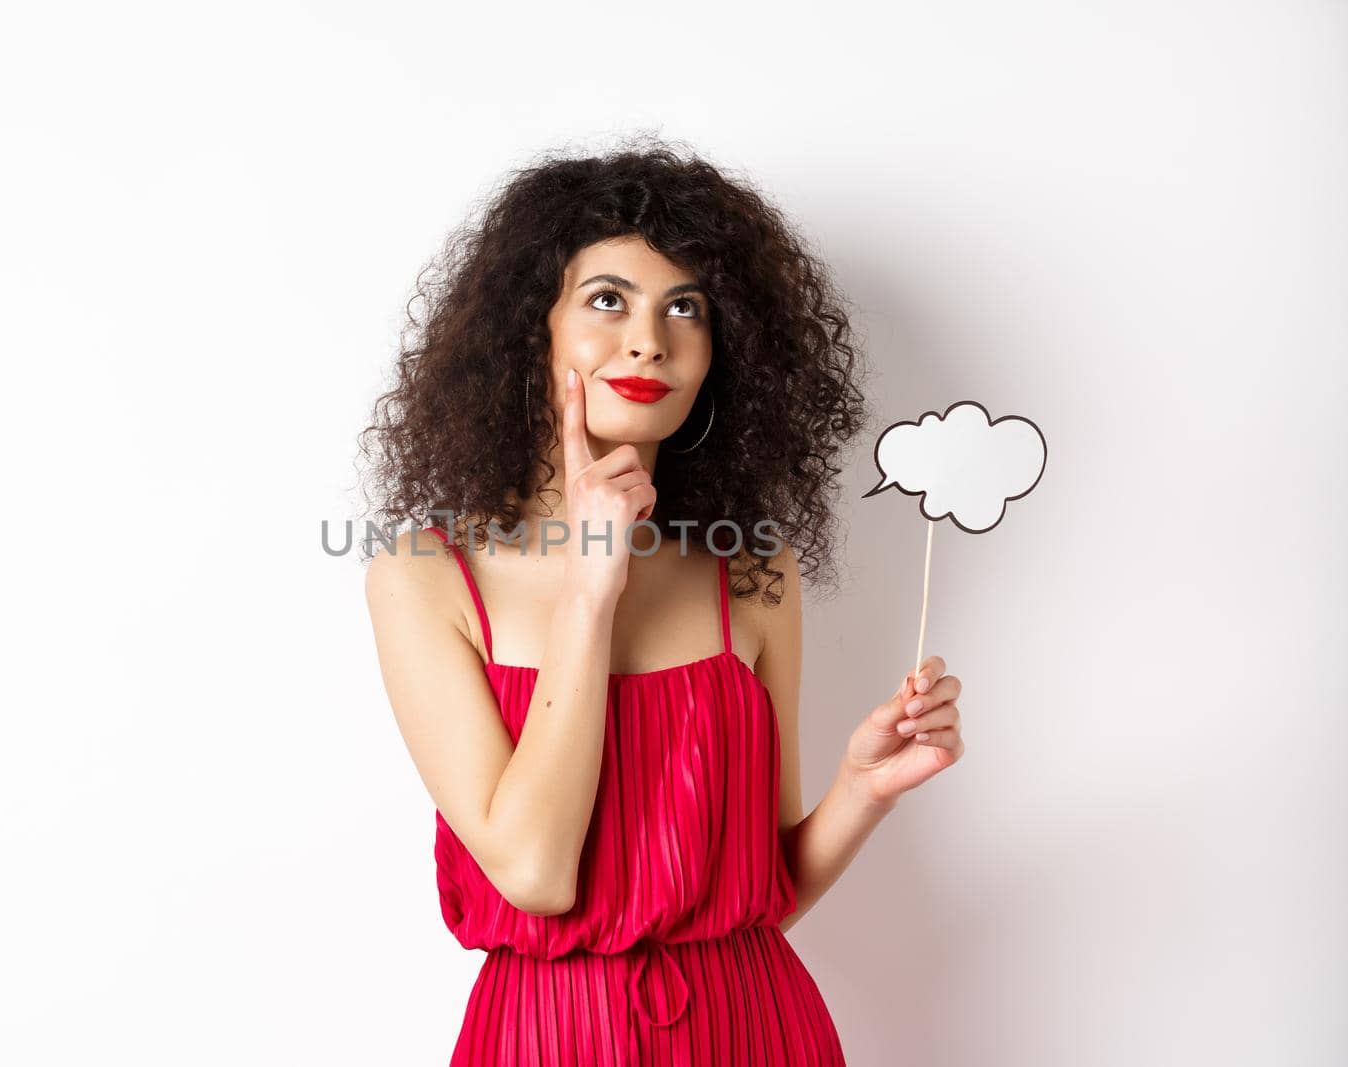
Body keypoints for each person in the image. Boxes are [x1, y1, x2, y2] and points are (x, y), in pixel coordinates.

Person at [358, 139, 966, 1065]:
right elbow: (534, 872)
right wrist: (588, 591)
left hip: (757, 1031)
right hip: (550, 1038)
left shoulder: (753, 573)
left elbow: (763, 892)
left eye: (686, 307)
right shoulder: (426, 577)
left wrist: (863, 788)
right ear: (535, 329)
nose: (650, 338)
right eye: (608, 300)